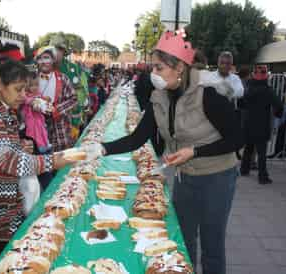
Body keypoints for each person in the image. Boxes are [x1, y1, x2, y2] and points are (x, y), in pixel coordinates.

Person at [82, 31, 242, 274]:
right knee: (182, 240)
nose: (153, 74)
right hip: (185, 176)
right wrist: (102, 148)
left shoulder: (208, 93)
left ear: (179, 67)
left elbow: (238, 138)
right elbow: (138, 137)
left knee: (212, 243)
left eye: (159, 68)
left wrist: (195, 151)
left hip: (217, 176)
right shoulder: (160, 97)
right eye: (152, 68)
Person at [0, 57, 76, 274]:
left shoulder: (6, 110)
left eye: (25, 90)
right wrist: (52, 160)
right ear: (0, 85)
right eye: (18, 90)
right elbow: (4, 159)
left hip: (4, 214)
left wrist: (19, 145)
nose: (24, 96)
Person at [239, 65, 283, 184]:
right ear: (266, 76)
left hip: (248, 123)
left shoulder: (248, 88)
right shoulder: (268, 90)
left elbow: (240, 103)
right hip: (262, 124)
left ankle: (244, 169)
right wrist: (278, 114)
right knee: (261, 152)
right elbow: (279, 105)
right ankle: (262, 176)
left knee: (248, 148)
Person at [35, 46, 78, 152]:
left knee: (62, 160)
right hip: (39, 131)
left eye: (46, 58)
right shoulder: (31, 79)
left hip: (60, 131)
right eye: (40, 58)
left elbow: (74, 99)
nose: (43, 62)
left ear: (53, 60)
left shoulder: (63, 78)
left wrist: (57, 109)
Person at [50, 34, 89, 141]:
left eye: (60, 49)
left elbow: (82, 93)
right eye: (54, 49)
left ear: (64, 52)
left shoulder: (74, 69)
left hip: (70, 121)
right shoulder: (44, 68)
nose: (56, 52)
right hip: (48, 123)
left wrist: (77, 121)